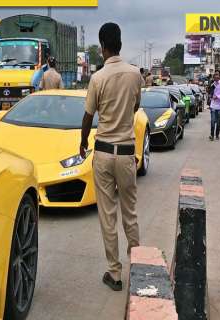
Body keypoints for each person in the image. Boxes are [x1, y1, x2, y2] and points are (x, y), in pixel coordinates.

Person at [80, 22, 141, 291]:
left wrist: (83, 141)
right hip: (127, 154)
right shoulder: (135, 74)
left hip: (103, 153)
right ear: (120, 43)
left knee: (108, 216)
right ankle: (139, 269)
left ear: (103, 46)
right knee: (130, 213)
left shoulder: (98, 78)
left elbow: (88, 115)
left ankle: (115, 274)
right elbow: (136, 105)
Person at [209, 71, 220, 141]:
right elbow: (210, 94)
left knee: (218, 122)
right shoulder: (212, 84)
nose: (216, 76)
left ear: (219, 76)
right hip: (213, 105)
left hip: (219, 106)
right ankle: (212, 135)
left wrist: (217, 97)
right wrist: (210, 95)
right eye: (215, 75)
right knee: (212, 121)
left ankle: (217, 135)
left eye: (217, 75)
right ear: (214, 76)